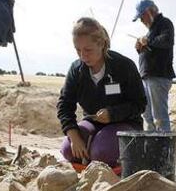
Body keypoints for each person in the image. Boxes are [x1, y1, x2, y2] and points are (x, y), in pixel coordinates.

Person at [57, 17, 147, 167]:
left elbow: (140, 104)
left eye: (88, 50)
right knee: (68, 150)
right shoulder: (76, 70)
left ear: (102, 44)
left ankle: (128, 152)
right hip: (93, 122)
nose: (82, 56)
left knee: (100, 154)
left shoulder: (124, 66)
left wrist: (112, 114)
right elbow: (64, 105)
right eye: (78, 50)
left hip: (126, 124)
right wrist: (74, 136)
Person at [133, 0, 175, 132]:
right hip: (147, 77)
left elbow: (166, 40)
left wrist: (147, 40)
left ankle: (163, 149)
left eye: (141, 16)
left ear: (150, 11)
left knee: (159, 117)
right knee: (147, 115)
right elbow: (149, 49)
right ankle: (151, 147)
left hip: (158, 76)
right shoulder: (150, 31)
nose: (141, 21)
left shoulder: (164, 23)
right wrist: (139, 47)